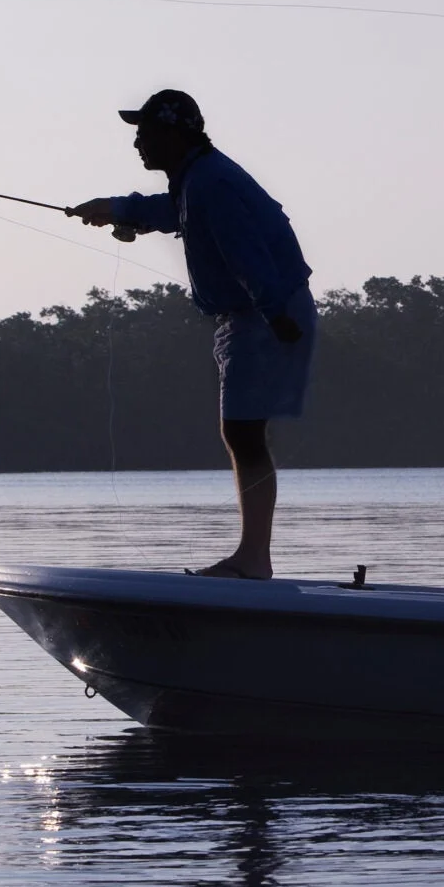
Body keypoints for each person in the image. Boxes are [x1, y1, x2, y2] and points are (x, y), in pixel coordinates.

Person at [74, 90, 314, 578]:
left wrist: (274, 315)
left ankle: (252, 560)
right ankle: (253, 558)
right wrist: (118, 208)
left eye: (145, 133)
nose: (137, 143)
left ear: (173, 133)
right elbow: (172, 212)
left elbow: (245, 253)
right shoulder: (197, 180)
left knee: (243, 433)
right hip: (249, 314)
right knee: (241, 432)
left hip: (263, 313)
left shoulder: (211, 183)